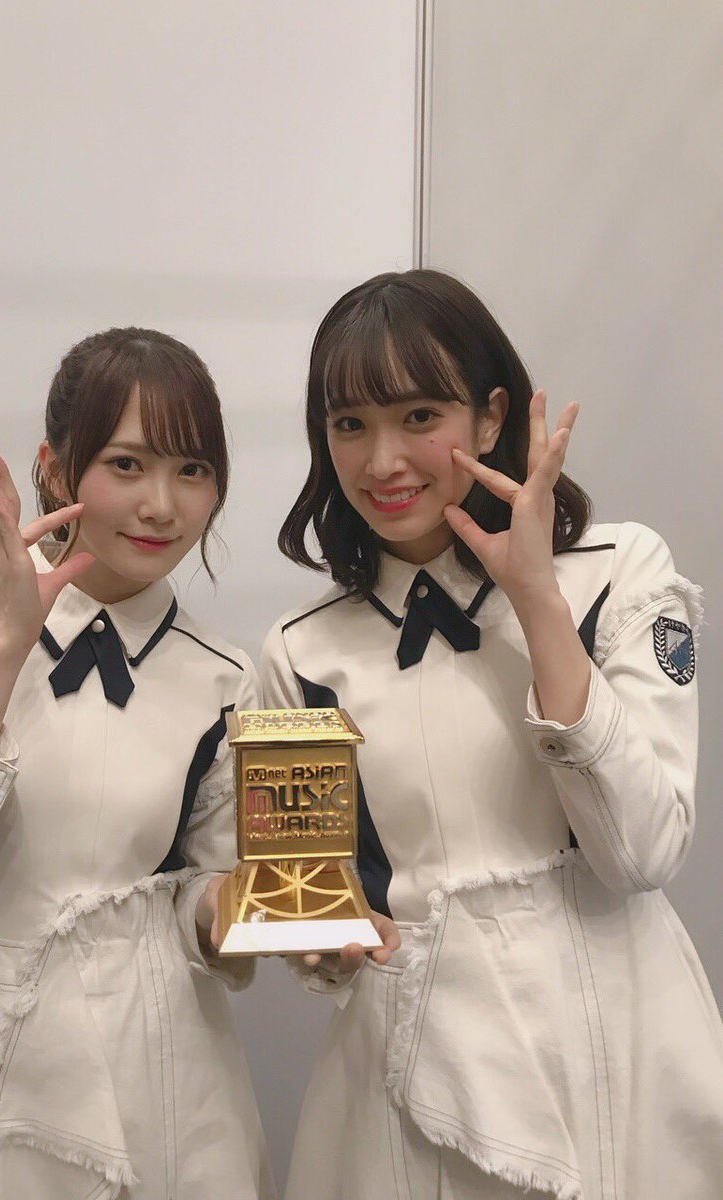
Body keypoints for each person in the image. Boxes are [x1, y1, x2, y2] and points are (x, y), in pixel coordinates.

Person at [262, 270, 723, 1199]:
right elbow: (303, 897)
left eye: (419, 415)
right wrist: (317, 939)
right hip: (409, 1075)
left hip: (618, 1041)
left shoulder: (622, 573)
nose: (382, 460)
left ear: (490, 416)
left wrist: (538, 599)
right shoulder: (296, 651)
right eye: (349, 424)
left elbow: (642, 851)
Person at [0, 328, 276, 1200]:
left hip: (164, 1060)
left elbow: (203, 890)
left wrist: (273, 910)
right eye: (127, 464)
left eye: (192, 471)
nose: (162, 506)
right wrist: (5, 645)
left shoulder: (225, 675)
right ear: (56, 468)